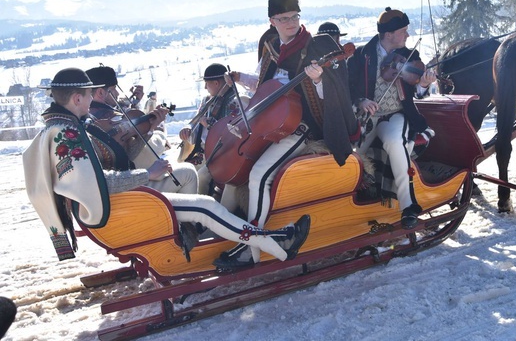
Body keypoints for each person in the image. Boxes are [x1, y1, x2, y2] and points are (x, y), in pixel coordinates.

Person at [22, 68, 310, 267]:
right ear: (77, 98)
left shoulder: (59, 127)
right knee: (205, 207)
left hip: (115, 203)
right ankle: (276, 242)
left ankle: (227, 238)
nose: (90, 101)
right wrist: (148, 174)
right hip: (117, 207)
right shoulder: (67, 134)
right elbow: (100, 185)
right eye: (88, 96)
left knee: (199, 197)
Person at [222, 0, 359, 267]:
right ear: (272, 21)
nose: (291, 23)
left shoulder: (318, 47)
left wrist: (320, 79)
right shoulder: (271, 48)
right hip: (270, 125)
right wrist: (237, 79)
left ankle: (252, 243)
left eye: (295, 17)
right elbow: (264, 86)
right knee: (232, 169)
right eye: (283, 18)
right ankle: (222, 227)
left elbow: (335, 96)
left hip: (303, 127)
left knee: (259, 175)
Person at [347, 7, 437, 229]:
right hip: (366, 117)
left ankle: (408, 205)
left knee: (396, 142)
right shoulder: (362, 56)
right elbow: (347, 88)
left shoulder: (410, 56)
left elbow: (417, 92)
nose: (407, 35)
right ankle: (350, 202)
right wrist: (361, 101)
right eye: (403, 31)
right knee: (352, 154)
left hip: (396, 114)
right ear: (388, 34)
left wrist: (424, 83)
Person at [85, 65, 198, 195]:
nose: (117, 94)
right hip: (125, 189)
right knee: (189, 173)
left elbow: (125, 154)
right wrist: (148, 173)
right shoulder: (101, 121)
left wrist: (150, 128)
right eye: (114, 89)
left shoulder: (91, 119)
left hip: (126, 182)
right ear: (100, 92)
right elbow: (129, 156)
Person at [179, 63, 247, 196]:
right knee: (183, 172)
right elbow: (196, 119)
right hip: (202, 150)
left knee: (201, 177)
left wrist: (211, 124)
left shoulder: (237, 101)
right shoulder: (206, 101)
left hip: (221, 152)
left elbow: (234, 133)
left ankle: (201, 205)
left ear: (216, 83)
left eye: (207, 84)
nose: (205, 87)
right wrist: (188, 127)